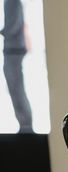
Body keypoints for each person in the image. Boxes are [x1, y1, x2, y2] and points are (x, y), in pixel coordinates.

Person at [1, 0, 32, 133]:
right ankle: (25, 125)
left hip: (13, 48)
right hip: (13, 48)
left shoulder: (11, 1)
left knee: (16, 88)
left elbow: (14, 24)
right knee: (15, 88)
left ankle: (26, 125)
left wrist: (4, 32)